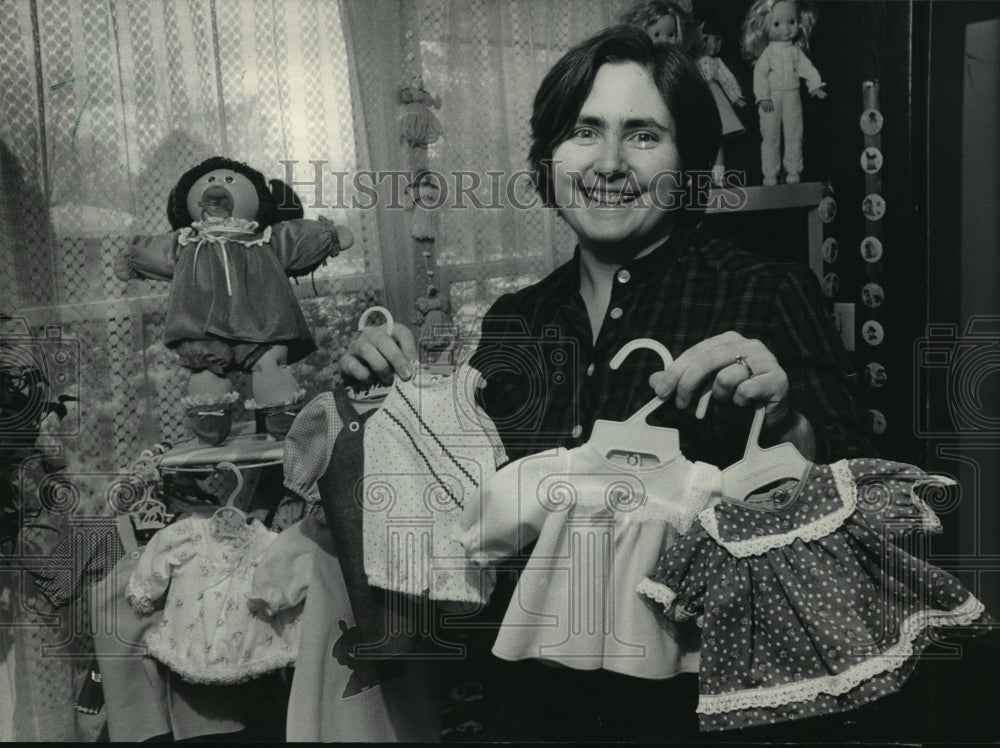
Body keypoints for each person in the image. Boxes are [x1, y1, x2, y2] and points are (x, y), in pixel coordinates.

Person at [340, 25, 874, 741]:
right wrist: (385, 397)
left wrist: (784, 425)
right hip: (531, 708)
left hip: (711, 707)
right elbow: (470, 516)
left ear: (689, 163)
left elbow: (856, 496)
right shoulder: (514, 320)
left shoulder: (766, 292)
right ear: (547, 160)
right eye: (585, 131)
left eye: (644, 135)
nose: (610, 163)